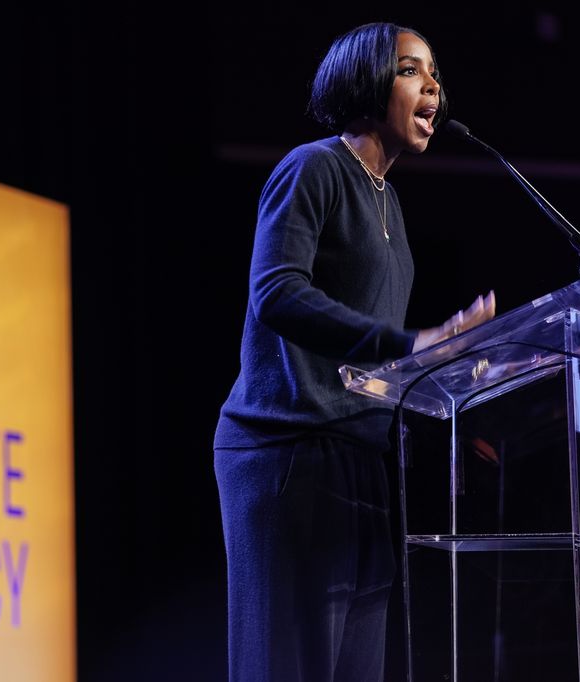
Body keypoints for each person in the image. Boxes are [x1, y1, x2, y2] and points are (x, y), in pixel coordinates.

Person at [213, 22, 496, 682]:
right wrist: (409, 344)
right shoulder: (314, 168)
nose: (432, 87)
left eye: (436, 75)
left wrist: (448, 369)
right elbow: (276, 292)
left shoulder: (390, 200)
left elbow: (379, 361)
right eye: (410, 70)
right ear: (367, 82)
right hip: (287, 451)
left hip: (360, 464)